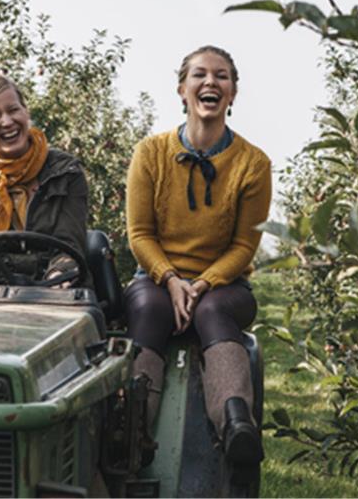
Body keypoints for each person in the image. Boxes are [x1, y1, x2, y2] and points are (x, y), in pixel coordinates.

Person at [124, 45, 272, 477]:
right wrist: (170, 280)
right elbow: (140, 235)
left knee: (213, 311)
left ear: (233, 93)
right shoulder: (150, 154)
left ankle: (236, 424)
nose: (211, 82)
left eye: (222, 76)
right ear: (182, 90)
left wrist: (204, 282)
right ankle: (131, 431)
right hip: (155, 277)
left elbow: (245, 246)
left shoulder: (252, 164)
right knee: (150, 309)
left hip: (223, 285)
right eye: (200, 75)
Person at [0, 74, 89, 286]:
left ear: (25, 110)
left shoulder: (67, 172)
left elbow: (69, 242)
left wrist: (60, 273)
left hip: (60, 289)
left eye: (13, 110)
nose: (7, 122)